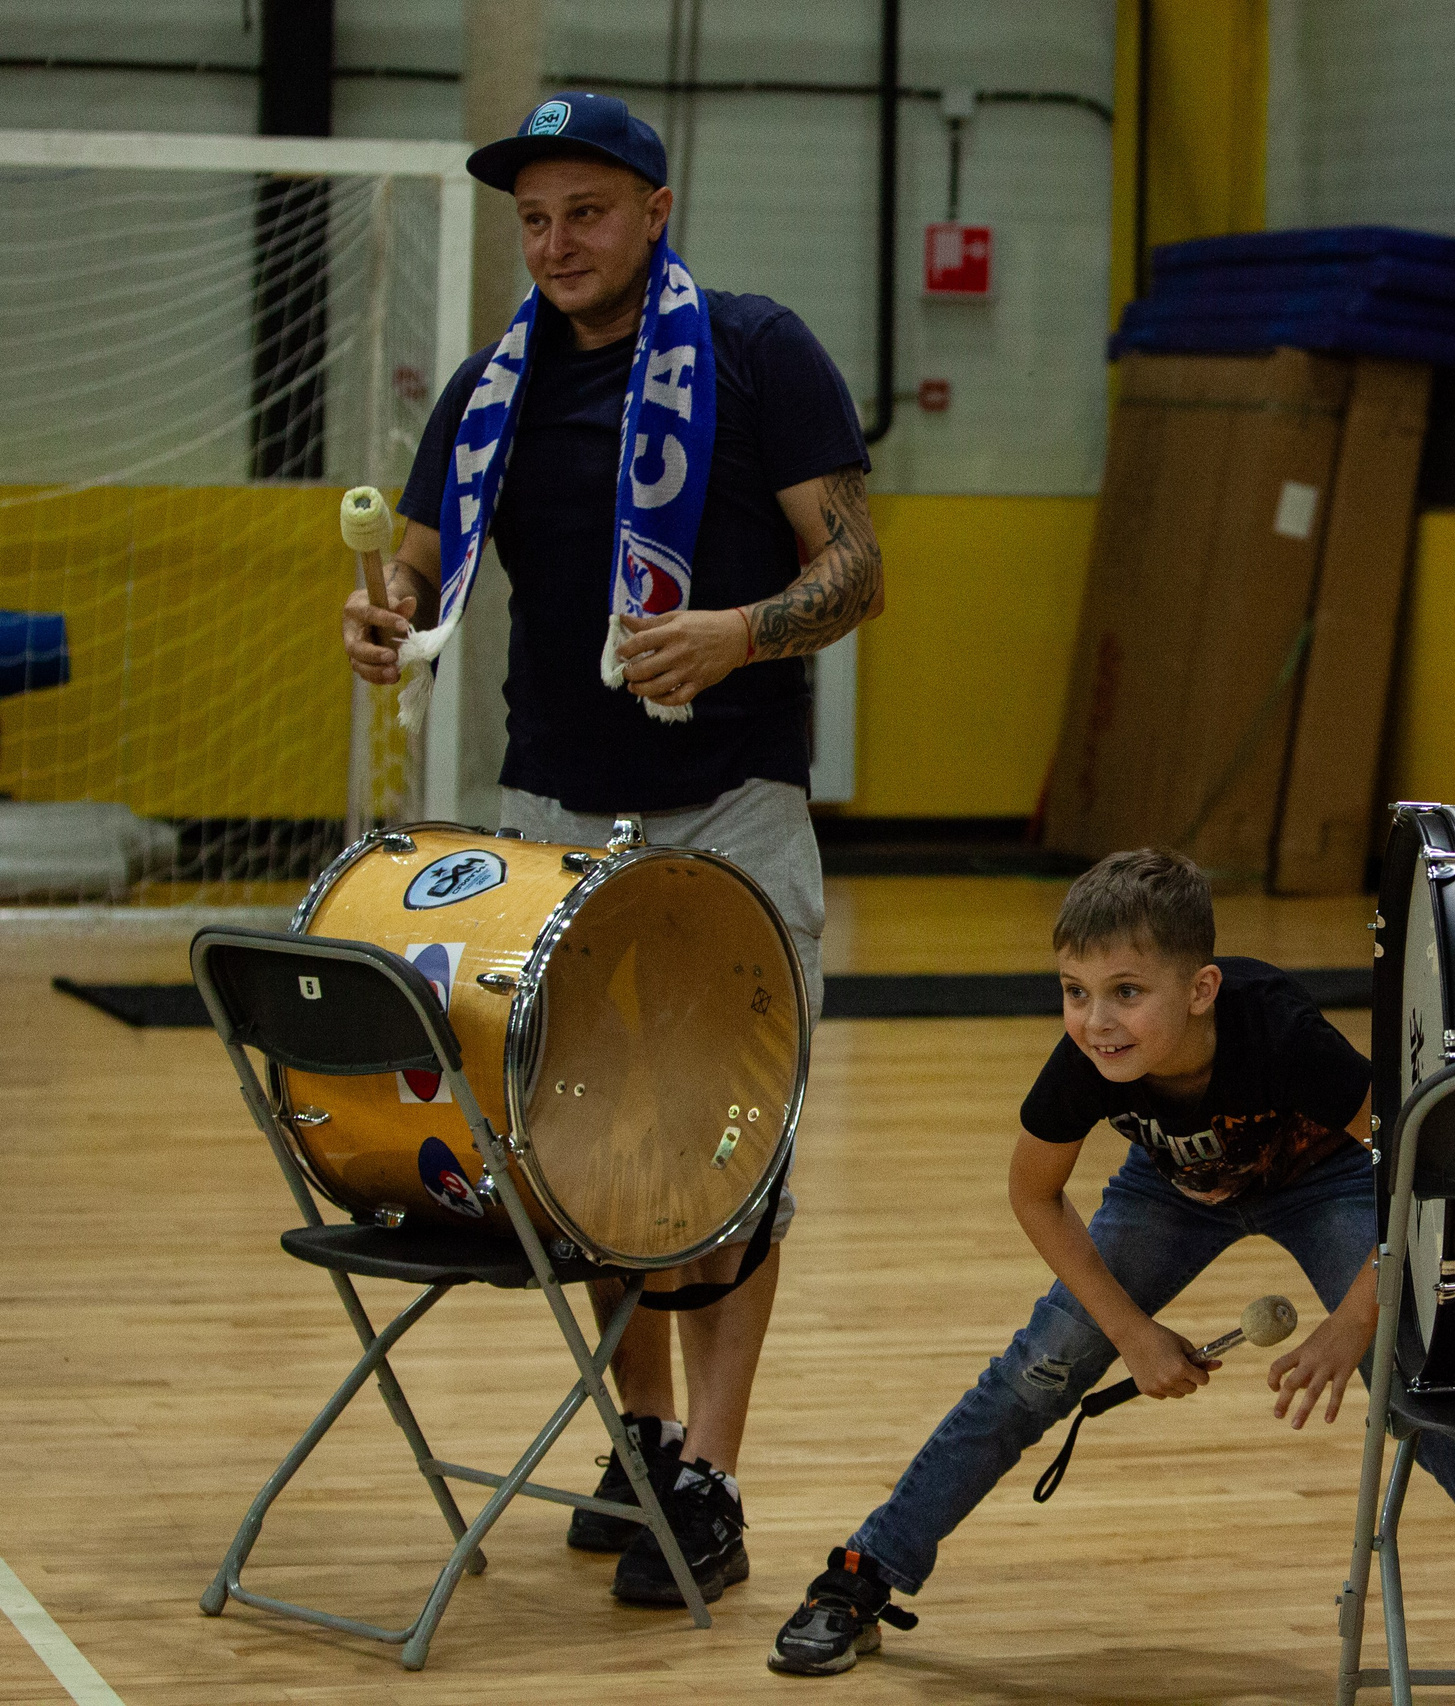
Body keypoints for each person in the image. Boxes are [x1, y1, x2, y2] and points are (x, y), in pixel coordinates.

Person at [339, 91, 884, 1607]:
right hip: (552, 813)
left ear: (656, 208)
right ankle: (637, 1438)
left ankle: (710, 1463)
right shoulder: (487, 387)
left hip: (733, 806)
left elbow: (856, 567)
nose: (557, 241)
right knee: (584, 1152)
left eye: (587, 210)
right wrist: (381, 616)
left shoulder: (762, 351)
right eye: (534, 218)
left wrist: (741, 632)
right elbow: (417, 569)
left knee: (731, 1146)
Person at [767, 849, 1455, 1702]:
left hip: (1327, 1184)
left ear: (1202, 990)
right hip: (1171, 1193)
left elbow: (1421, 1178)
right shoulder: (1089, 1061)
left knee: (1411, 1380)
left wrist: (1353, 1324)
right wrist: (1129, 1335)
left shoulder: (1279, 1029)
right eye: (1075, 994)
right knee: (1034, 1372)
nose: (1096, 1021)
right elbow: (1035, 1194)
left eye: (1126, 993)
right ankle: (865, 1573)